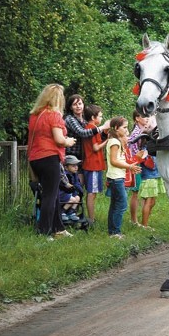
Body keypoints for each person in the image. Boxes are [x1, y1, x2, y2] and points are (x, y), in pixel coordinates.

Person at [28, 84, 77, 239]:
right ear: (58, 99)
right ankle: (44, 232)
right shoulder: (53, 115)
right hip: (49, 158)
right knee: (49, 196)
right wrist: (68, 141)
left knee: (53, 194)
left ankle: (58, 228)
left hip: (36, 159)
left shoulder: (35, 115)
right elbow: (58, 139)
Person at [106, 116, 142, 239]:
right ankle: (115, 232)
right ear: (116, 128)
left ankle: (112, 231)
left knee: (115, 204)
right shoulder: (115, 142)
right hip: (116, 178)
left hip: (115, 177)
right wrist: (129, 167)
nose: (127, 130)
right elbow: (114, 161)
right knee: (121, 205)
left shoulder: (114, 141)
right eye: (124, 127)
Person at [64, 94, 110, 175]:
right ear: (71, 107)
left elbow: (94, 135)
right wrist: (102, 127)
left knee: (81, 182)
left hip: (84, 155)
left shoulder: (85, 120)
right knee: (73, 181)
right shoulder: (69, 119)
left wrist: (105, 133)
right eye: (75, 104)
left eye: (80, 104)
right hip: (72, 154)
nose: (78, 106)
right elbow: (82, 133)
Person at [82, 104, 108, 224]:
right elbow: (96, 147)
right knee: (91, 193)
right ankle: (91, 219)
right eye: (100, 116)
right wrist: (108, 140)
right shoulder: (92, 129)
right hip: (92, 165)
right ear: (93, 117)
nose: (101, 119)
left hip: (94, 165)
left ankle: (91, 217)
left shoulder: (90, 128)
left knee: (93, 192)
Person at [127, 110, 151, 227]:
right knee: (135, 193)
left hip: (140, 164)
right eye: (144, 116)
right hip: (136, 164)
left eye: (148, 116)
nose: (147, 118)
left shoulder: (142, 130)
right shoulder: (136, 133)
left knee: (139, 192)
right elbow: (134, 151)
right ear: (137, 118)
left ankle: (137, 219)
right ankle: (134, 220)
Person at [138, 152, 165, 229]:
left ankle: (145, 222)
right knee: (149, 201)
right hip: (149, 177)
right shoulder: (145, 151)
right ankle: (144, 225)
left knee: (152, 202)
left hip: (155, 175)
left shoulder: (152, 150)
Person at [59, 155, 84, 222]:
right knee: (73, 199)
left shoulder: (75, 174)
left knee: (77, 198)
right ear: (66, 168)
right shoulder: (64, 176)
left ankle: (71, 213)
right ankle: (62, 212)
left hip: (70, 193)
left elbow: (76, 184)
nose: (76, 167)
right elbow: (63, 186)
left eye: (76, 165)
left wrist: (79, 191)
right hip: (62, 193)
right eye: (73, 166)